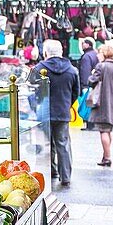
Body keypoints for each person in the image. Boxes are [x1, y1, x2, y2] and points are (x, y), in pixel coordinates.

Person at [36, 39, 79, 187]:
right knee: (63, 143)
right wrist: (67, 104)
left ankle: (52, 170)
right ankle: (65, 176)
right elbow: (76, 92)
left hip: (44, 112)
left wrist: (36, 104)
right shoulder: (72, 70)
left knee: (49, 143)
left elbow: (32, 90)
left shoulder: (39, 68)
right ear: (61, 52)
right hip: (62, 112)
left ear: (46, 52)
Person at [88, 44, 113, 167]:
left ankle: (107, 157)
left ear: (104, 53)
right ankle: (105, 155)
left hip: (102, 103)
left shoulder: (101, 66)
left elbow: (92, 81)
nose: (98, 55)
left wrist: (92, 74)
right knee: (108, 130)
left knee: (103, 130)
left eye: (99, 53)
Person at [77, 37, 99, 130]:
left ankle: (89, 124)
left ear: (88, 44)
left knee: (86, 104)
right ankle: (93, 123)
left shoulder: (86, 56)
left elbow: (85, 71)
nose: (82, 45)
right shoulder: (95, 54)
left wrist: (85, 85)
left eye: (83, 43)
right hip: (95, 83)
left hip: (88, 84)